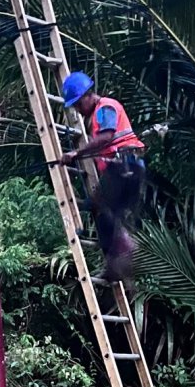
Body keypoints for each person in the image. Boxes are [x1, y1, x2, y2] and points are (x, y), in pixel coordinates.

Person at [59, 71, 146, 283]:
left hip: (124, 167)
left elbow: (107, 137)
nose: (78, 110)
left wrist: (76, 153)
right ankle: (123, 255)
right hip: (130, 169)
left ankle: (119, 259)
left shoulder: (105, 107)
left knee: (97, 207)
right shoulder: (98, 114)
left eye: (79, 104)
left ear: (89, 95)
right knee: (111, 215)